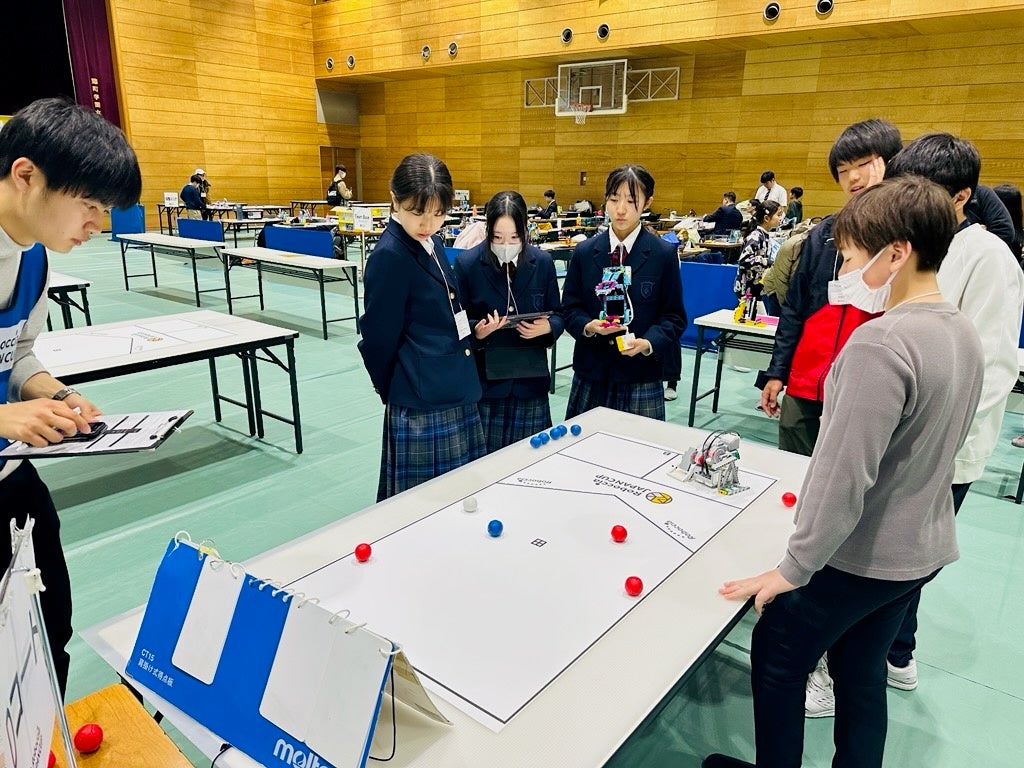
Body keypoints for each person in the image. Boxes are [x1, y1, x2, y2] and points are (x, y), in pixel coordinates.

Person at [702, 176, 985, 768]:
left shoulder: (879, 344)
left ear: (897, 253)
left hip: (864, 555)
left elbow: (843, 476)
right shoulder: (961, 330)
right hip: (920, 549)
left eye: (852, 258)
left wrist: (793, 568)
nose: (845, 272)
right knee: (860, 671)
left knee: (778, 649)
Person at [0, 97, 142, 696]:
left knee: (46, 629)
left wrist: (56, 393)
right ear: (26, 175)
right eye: (90, 205)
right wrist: (4, 416)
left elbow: (16, 354)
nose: (97, 225)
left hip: (11, 478)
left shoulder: (32, 259)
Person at [880, 133, 1024, 689]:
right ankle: (891, 650)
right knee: (884, 552)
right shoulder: (913, 244)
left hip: (944, 447)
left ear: (962, 197)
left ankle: (892, 655)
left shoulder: (988, 257)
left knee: (903, 559)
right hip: (898, 431)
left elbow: (991, 369)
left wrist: (932, 441)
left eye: (924, 190)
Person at [759, 118, 903, 457]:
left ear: (890, 164)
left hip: (864, 391)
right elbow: (794, 309)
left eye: (863, 164)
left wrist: (884, 202)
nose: (853, 177)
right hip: (806, 382)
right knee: (792, 468)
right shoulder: (824, 235)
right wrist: (777, 372)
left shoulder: (907, 235)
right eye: (843, 170)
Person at [357, 153, 485, 501]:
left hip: (452, 383)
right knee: (421, 504)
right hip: (420, 399)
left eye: (439, 213)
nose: (428, 223)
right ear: (394, 200)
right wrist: (397, 388)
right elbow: (378, 339)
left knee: (458, 497)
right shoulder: (390, 255)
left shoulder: (433, 241)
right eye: (417, 212)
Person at [560, 164, 686, 421]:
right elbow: (569, 308)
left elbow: (673, 317)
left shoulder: (662, 254)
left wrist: (648, 343)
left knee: (640, 445)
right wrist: (588, 326)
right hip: (592, 370)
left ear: (647, 203)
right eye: (614, 199)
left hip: (641, 373)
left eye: (631, 200)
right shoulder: (585, 252)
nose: (620, 209)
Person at [454, 191, 563, 451]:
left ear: (525, 230)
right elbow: (457, 320)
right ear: (487, 231)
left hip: (531, 380)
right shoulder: (467, 264)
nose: (506, 244)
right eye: (498, 237)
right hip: (487, 384)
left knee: (532, 459)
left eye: (514, 237)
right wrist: (477, 331)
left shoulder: (543, 262)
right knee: (485, 462)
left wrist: (549, 327)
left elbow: (559, 314)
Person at [734, 199, 783, 300]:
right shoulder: (756, 236)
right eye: (778, 215)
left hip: (756, 287)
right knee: (748, 310)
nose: (780, 218)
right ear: (766, 218)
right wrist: (766, 262)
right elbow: (744, 259)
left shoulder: (765, 235)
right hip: (747, 288)